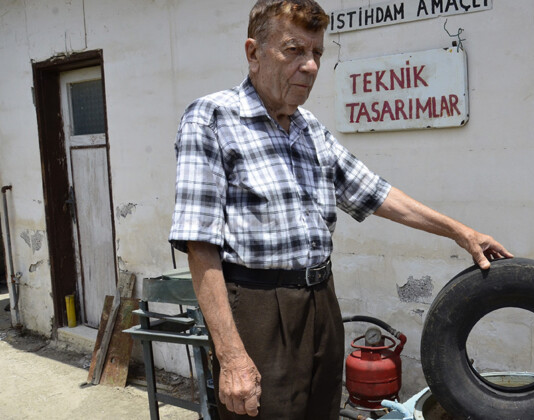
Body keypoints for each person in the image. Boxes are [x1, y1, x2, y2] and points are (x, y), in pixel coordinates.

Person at [169, 0, 513, 418]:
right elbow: (200, 247)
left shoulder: (311, 130)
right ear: (253, 53)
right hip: (257, 309)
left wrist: (460, 232)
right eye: (294, 50)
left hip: (321, 301)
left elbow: (378, 194)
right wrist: (232, 357)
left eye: (317, 53)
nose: (310, 66)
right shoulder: (212, 118)